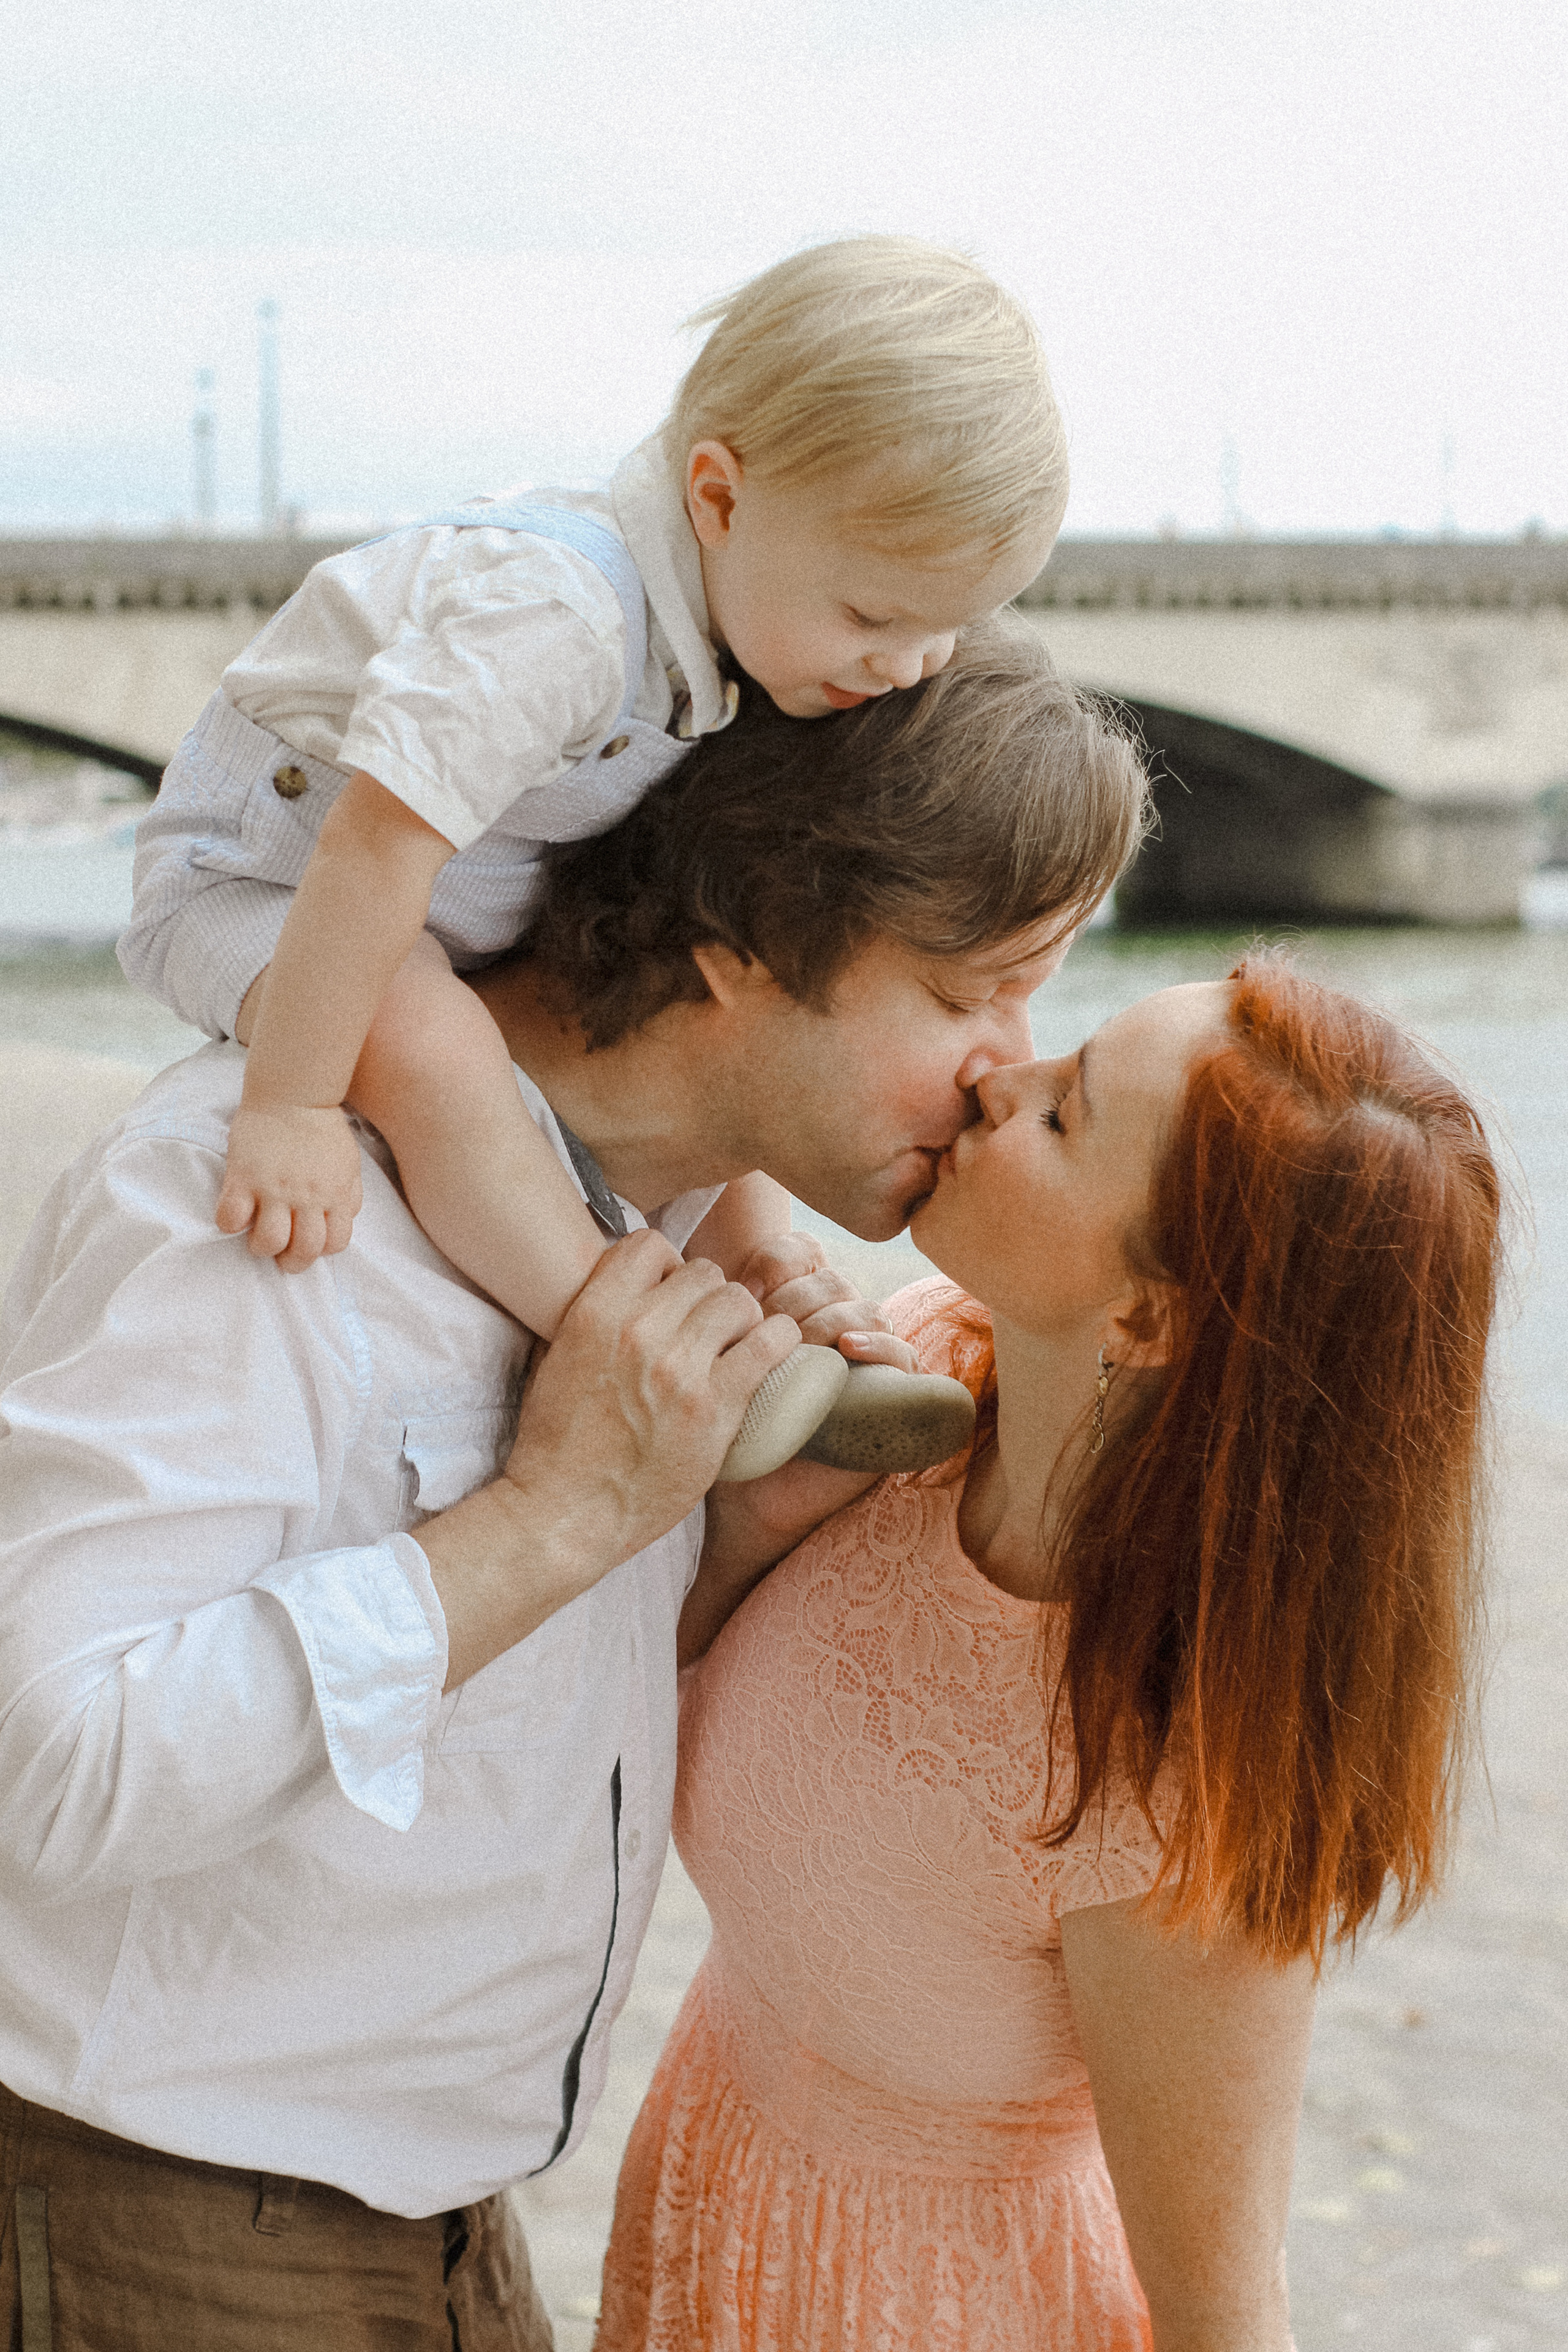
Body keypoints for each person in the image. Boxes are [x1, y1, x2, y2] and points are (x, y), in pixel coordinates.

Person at [0, 626, 1148, 2349]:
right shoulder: (250, 1212)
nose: (1007, 1061)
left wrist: (701, 1541)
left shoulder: (663, 1238)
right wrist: (556, 1518)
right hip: (163, 2227)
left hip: (453, 2239)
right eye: (974, 988)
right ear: (747, 948)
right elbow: (51, 1773)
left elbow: (465, 1720)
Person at [597, 954, 1501, 2352]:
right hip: (712, 2195)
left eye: (1064, 1111)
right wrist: (737, 1531)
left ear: (1146, 1319)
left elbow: (1222, 2317)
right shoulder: (914, 1379)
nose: (990, 1074)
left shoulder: (1166, 1790)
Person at [117, 236, 1067, 1483]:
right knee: (420, 1033)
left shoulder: (730, 619)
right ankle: (626, 1332)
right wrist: (291, 1104)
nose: (904, 664)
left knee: (709, 1060)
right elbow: (371, 845)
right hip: (263, 883)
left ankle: (767, 1281)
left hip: (440, 895)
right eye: (877, 619)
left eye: (943, 630)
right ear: (718, 498)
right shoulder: (556, 617)